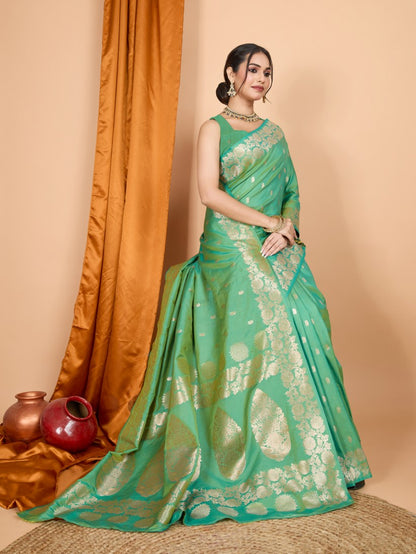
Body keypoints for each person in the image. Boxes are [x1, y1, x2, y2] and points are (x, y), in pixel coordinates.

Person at [20, 43, 371, 532]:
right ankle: (247, 457)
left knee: (308, 321)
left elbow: (292, 189)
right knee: (263, 335)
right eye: (253, 69)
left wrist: (288, 228)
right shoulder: (213, 128)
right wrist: (268, 222)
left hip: (275, 245)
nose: (261, 78)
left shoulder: (276, 134)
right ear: (231, 72)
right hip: (230, 247)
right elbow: (210, 193)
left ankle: (320, 457)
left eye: (268, 72)